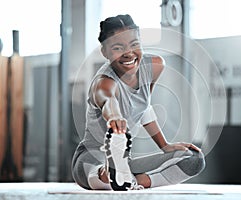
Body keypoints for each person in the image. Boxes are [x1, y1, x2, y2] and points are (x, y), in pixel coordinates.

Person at [71, 14, 205, 191]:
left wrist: (165, 145)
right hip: (89, 160)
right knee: (98, 169)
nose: (129, 53)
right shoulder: (103, 83)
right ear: (105, 52)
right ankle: (108, 174)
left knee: (194, 159)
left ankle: (127, 179)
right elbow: (108, 100)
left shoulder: (154, 65)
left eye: (134, 44)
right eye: (118, 48)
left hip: (125, 162)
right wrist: (115, 118)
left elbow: (144, 108)